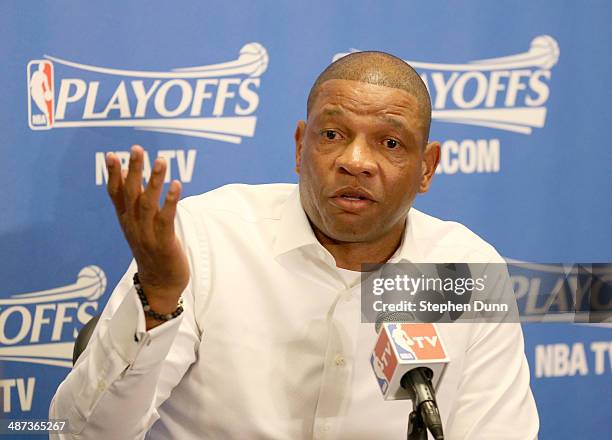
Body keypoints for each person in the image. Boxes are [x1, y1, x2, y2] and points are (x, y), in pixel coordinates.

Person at [50, 51, 539, 439]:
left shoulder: (466, 270)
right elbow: (80, 436)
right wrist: (156, 298)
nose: (356, 161)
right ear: (300, 147)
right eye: (332, 134)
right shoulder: (206, 239)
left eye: (390, 143)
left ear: (427, 167)